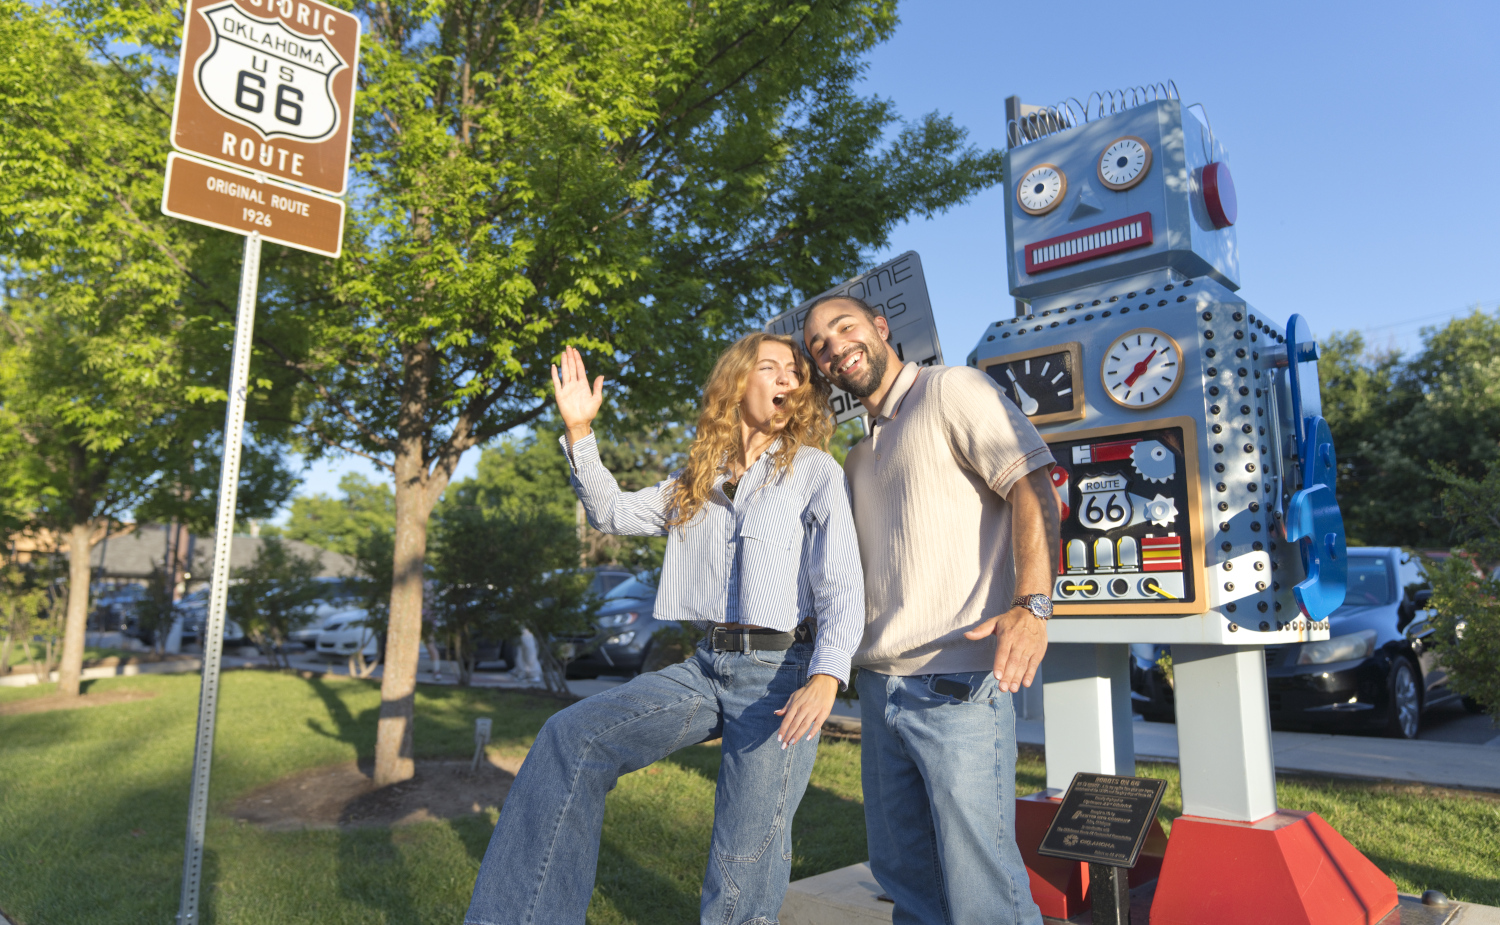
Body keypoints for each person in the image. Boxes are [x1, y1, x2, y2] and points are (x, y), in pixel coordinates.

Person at [466, 333, 865, 925]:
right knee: (571, 738)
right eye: (771, 367)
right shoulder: (696, 480)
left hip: (781, 676)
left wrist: (827, 676)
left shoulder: (813, 471)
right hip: (707, 665)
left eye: (795, 372)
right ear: (737, 383)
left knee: (742, 862)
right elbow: (612, 512)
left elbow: (841, 581)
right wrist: (580, 431)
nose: (789, 379)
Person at [803, 295, 1059, 925]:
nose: (834, 347)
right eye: (818, 346)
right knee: (906, 883)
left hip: (957, 685)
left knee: (983, 893)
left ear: (881, 328)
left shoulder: (952, 390)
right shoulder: (857, 456)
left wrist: (1033, 606)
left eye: (844, 327)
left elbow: (1033, 485)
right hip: (879, 688)